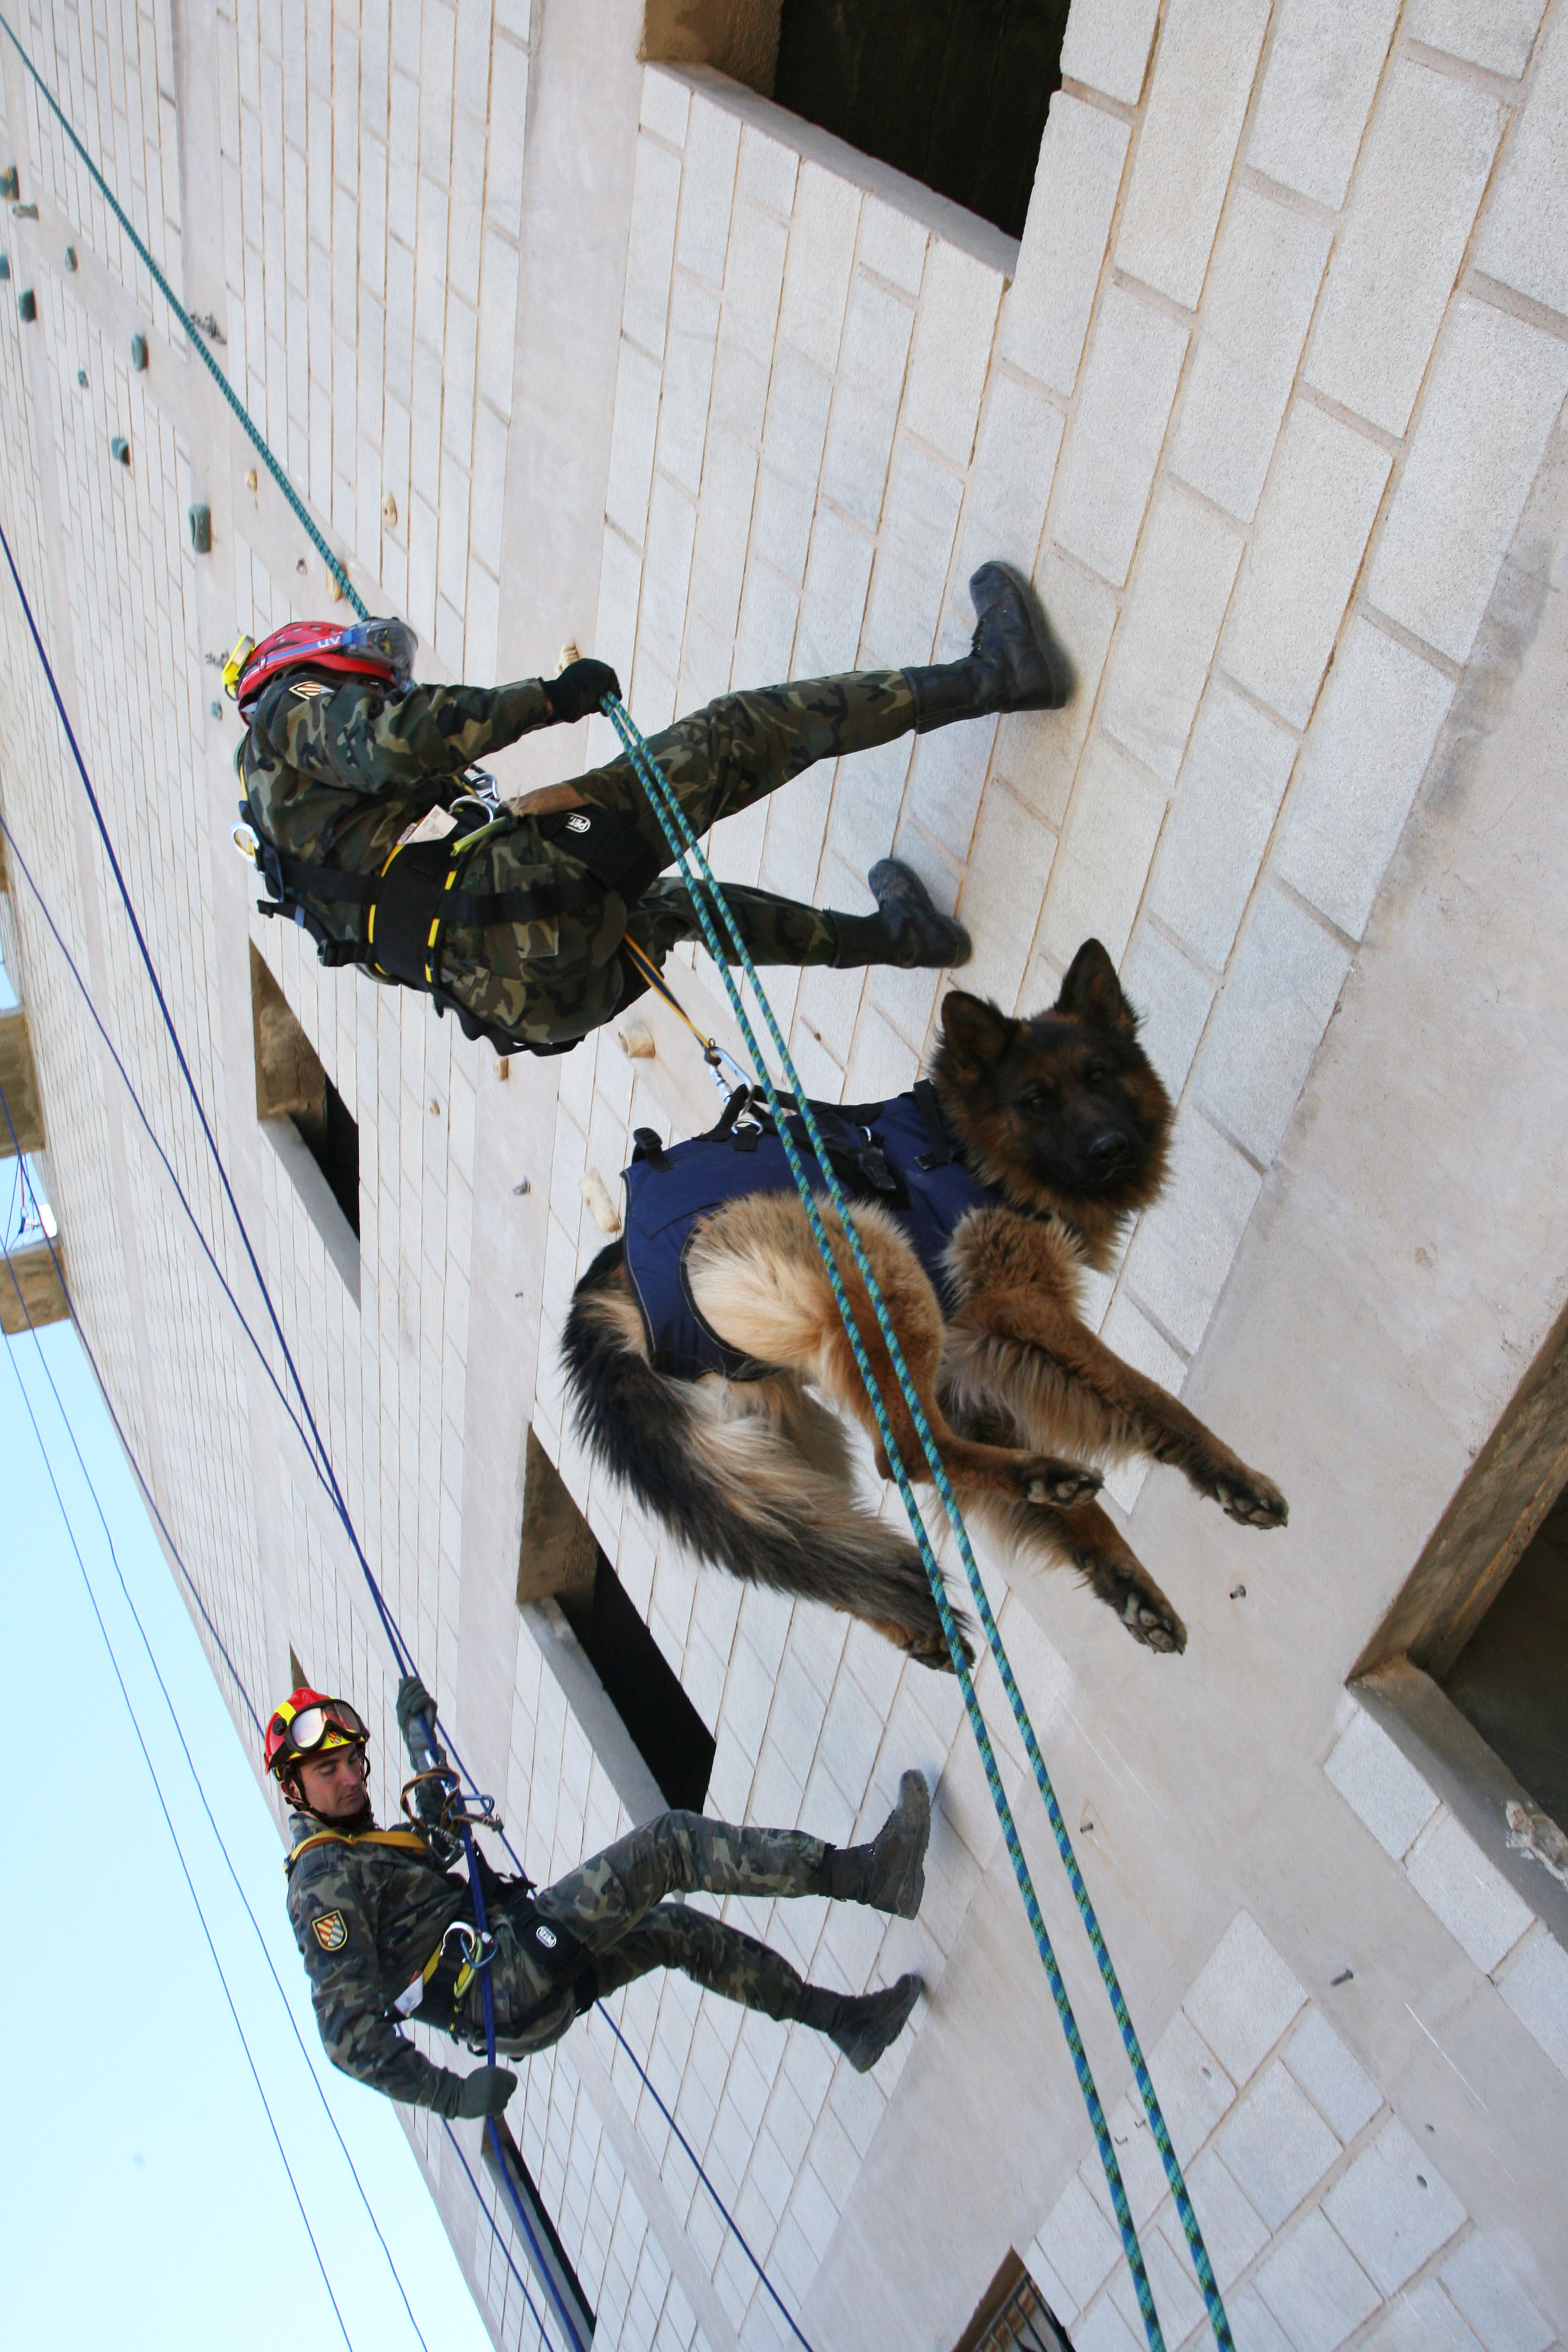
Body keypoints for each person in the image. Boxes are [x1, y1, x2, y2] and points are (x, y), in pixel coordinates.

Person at [228, 564, 1071, 1059]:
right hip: (526, 892)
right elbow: (394, 744)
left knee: (681, 911)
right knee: (737, 738)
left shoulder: (292, 855)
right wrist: (550, 699)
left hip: (531, 1004)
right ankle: (996, 674)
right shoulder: (283, 710)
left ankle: (904, 938)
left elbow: (396, 916)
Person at [269, 1678, 932, 2118]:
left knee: (671, 1932)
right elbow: (347, 2034)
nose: (351, 1777)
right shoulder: (322, 1879)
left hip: (515, 1989)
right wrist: (449, 2095)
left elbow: (440, 1835)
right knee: (670, 1845)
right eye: (328, 1769)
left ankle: (845, 2022)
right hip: (507, 1979)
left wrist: (419, 1742)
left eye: (353, 1761)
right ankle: (867, 1877)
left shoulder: (362, 1851)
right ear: (294, 1789)